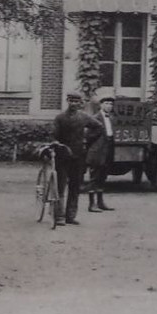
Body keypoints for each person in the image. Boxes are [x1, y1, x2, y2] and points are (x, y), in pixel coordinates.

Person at [51, 92, 102, 226]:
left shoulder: (84, 117)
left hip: (79, 156)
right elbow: (53, 135)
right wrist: (56, 143)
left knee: (75, 187)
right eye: (71, 101)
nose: (74, 104)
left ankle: (71, 216)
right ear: (67, 101)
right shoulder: (60, 118)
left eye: (77, 101)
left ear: (81, 103)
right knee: (60, 187)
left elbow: (99, 128)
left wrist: (87, 140)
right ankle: (59, 216)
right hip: (62, 156)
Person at [84, 95, 118, 213]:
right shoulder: (95, 118)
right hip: (97, 151)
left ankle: (101, 202)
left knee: (103, 177)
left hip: (108, 150)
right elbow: (88, 136)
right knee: (94, 177)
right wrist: (97, 141)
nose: (109, 106)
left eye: (111, 104)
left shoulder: (112, 118)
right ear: (101, 105)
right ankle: (91, 204)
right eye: (107, 103)